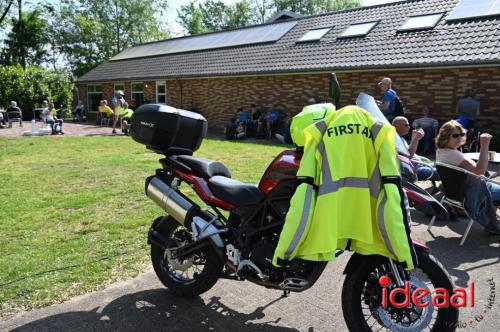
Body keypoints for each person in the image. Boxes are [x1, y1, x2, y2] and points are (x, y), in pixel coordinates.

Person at [435, 120, 500, 234]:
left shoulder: (442, 151)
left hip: (456, 192)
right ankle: (491, 222)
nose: (459, 138)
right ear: (445, 136)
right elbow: (480, 171)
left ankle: (491, 221)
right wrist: (484, 146)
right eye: (455, 135)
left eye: (462, 134)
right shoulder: (453, 155)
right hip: (471, 192)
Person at [393, 116, 438, 181]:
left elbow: (409, 150)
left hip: (419, 164)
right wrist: (415, 139)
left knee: (443, 167)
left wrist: (414, 139)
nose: (409, 127)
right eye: (406, 125)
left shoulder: (400, 138)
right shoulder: (394, 140)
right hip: (413, 169)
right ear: (396, 126)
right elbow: (408, 156)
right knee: (442, 173)